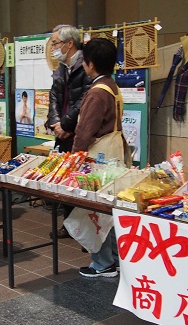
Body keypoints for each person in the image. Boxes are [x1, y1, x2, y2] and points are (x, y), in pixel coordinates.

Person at [74, 38, 130, 278]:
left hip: (99, 157)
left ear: (91, 64)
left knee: (95, 210)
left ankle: (102, 262)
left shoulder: (97, 93)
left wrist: (74, 157)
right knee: (110, 208)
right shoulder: (112, 87)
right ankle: (116, 258)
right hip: (115, 152)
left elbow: (85, 131)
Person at [47, 24, 93, 239]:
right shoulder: (60, 68)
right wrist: (56, 123)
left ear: (69, 43)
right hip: (62, 132)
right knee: (64, 180)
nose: (53, 47)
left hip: (79, 133)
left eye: (55, 43)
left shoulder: (86, 65)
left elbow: (85, 100)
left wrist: (66, 125)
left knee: (81, 181)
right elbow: (53, 98)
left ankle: (85, 228)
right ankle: (68, 224)